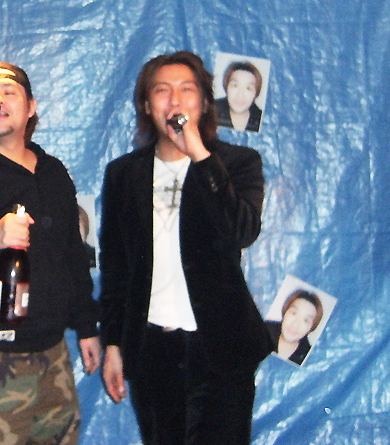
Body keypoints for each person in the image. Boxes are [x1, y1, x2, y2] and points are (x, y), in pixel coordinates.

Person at [99, 51, 272, 445]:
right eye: (162, 91)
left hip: (222, 348)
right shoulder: (124, 174)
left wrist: (201, 156)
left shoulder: (238, 163)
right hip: (153, 349)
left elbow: (242, 231)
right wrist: (113, 344)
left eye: (186, 90)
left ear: (205, 102)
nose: (174, 101)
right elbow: (115, 267)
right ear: (147, 105)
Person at [0, 62, 101, 445]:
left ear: (31, 107)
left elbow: (73, 255)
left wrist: (87, 326)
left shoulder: (53, 173)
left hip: (53, 356)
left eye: (9, 93)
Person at [265, 289, 323, 365]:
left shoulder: (311, 358)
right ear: (285, 311)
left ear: (311, 328)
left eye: (306, 320)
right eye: (293, 313)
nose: (295, 324)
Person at [215, 61, 263, 132]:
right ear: (226, 87)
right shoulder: (212, 110)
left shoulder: (262, 119)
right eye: (235, 85)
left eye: (248, 88)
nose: (240, 95)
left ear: (256, 93)